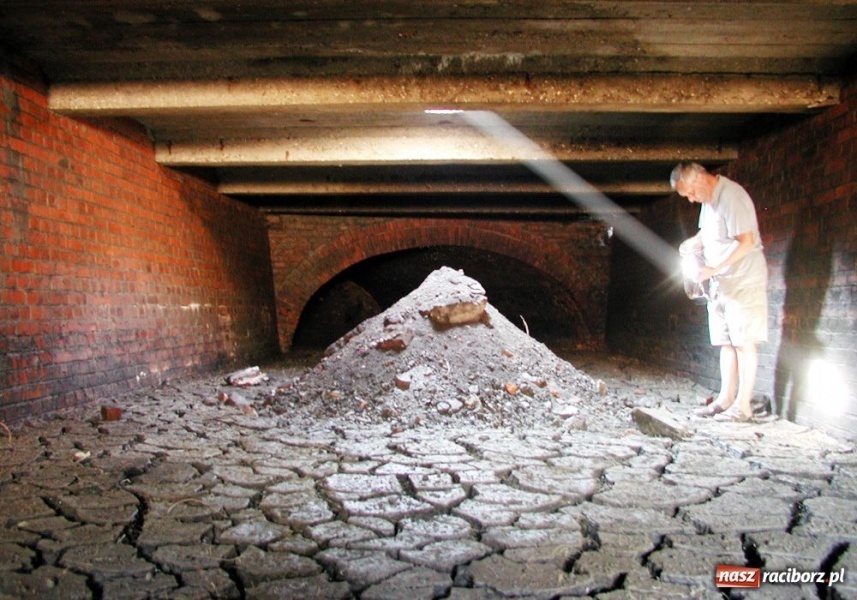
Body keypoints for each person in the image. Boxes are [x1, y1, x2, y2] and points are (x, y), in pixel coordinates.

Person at [670, 162, 768, 422]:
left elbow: (746, 242)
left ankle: (743, 406)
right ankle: (726, 399)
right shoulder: (709, 202)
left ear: (701, 179)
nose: (691, 199)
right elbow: (708, 234)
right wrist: (690, 244)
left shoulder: (731, 197)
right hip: (721, 285)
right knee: (726, 342)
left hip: (743, 281)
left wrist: (713, 269)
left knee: (744, 342)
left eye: (691, 193)